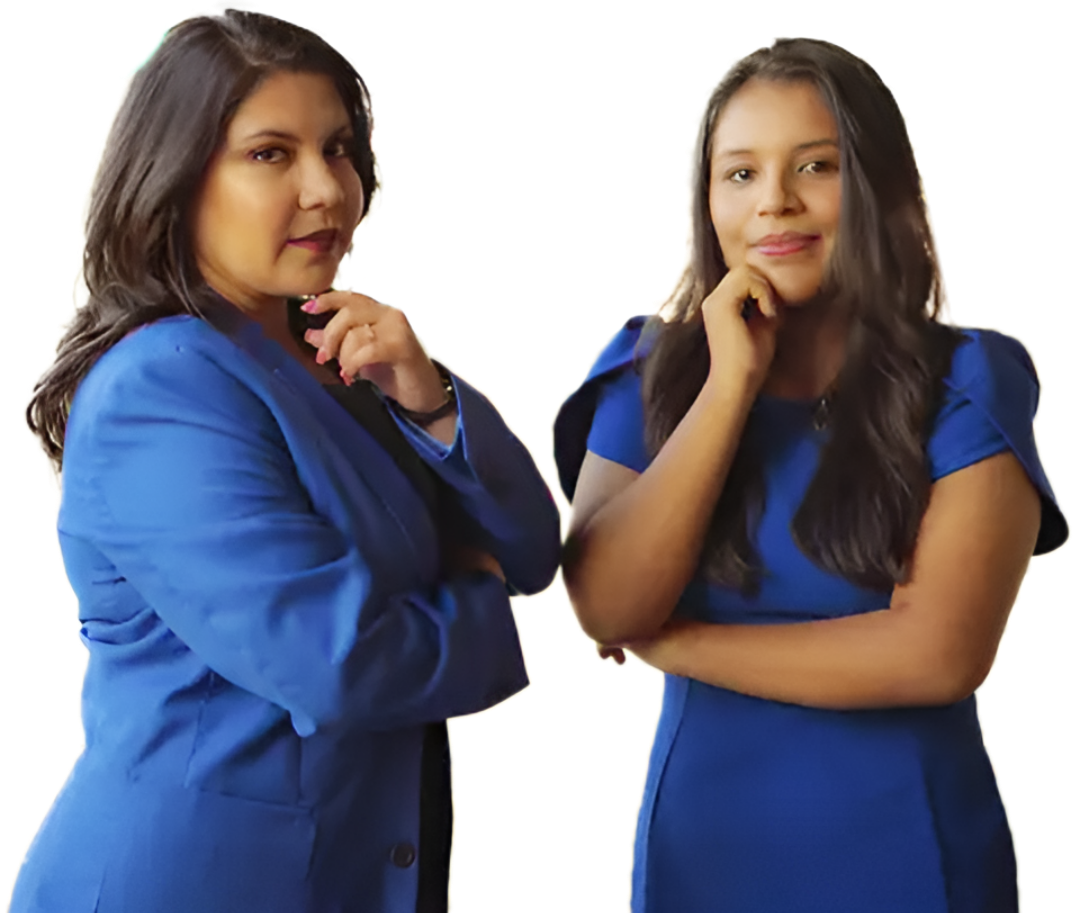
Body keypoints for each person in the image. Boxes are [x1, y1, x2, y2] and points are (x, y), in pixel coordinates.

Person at [13, 6, 560, 913]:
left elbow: (534, 549)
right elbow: (338, 663)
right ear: (178, 177)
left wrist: (427, 395)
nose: (328, 189)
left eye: (339, 148)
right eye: (272, 154)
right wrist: (476, 595)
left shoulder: (340, 350)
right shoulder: (163, 383)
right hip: (188, 883)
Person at [552, 33, 1069, 913]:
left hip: (908, 851)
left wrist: (672, 644)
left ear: (875, 187)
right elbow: (604, 601)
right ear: (705, 200)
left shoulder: (971, 377)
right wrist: (730, 383)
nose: (776, 205)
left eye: (816, 166)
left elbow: (937, 653)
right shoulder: (646, 366)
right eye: (740, 174)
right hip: (702, 850)